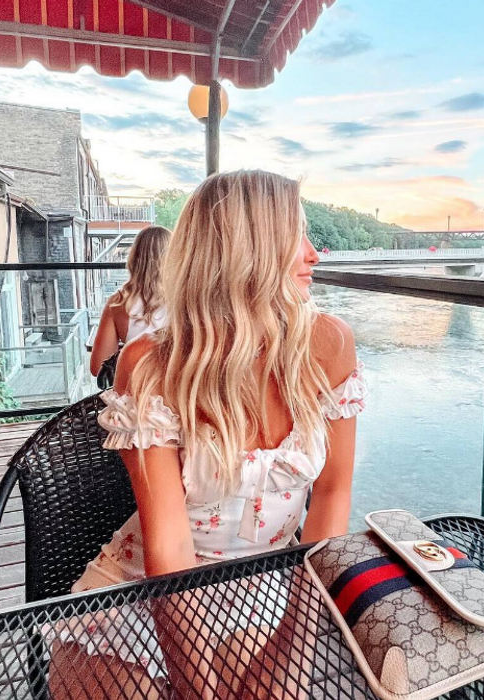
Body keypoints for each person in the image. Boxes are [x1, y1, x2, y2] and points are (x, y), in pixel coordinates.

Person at [49, 171, 365, 699]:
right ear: (244, 253)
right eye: (296, 237)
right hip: (146, 591)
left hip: (274, 588)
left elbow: (332, 494)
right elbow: (168, 548)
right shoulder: (150, 365)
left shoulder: (328, 345)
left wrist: (296, 646)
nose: (314, 254)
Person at [88, 225, 172, 383]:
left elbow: (97, 367)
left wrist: (128, 352)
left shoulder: (118, 302)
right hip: (178, 392)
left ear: (134, 258)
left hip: (136, 394)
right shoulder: (185, 299)